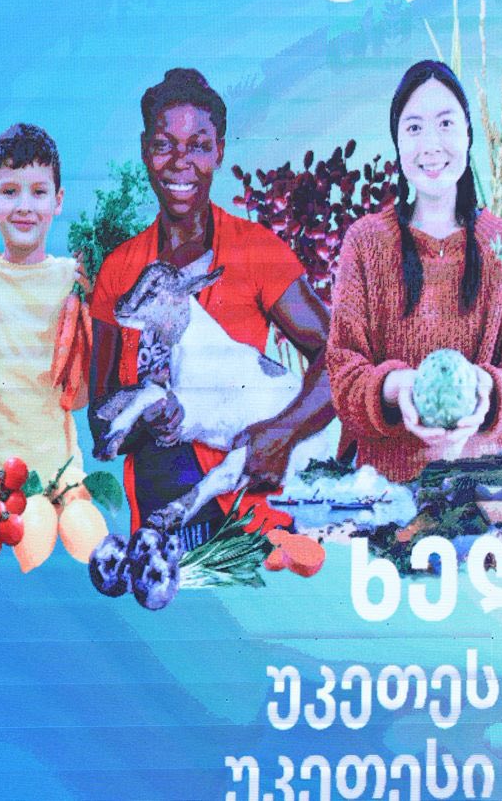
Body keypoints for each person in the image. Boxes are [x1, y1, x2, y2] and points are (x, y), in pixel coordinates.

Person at [88, 68, 335, 543]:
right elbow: (101, 419)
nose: (180, 163)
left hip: (248, 523)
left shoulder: (255, 251)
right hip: (159, 521)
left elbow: (339, 356)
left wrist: (282, 434)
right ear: (145, 150)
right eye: (164, 145)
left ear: (219, 151)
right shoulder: (121, 270)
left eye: (199, 146)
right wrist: (147, 418)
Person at [325, 59, 502, 483]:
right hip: (383, 493)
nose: (431, 145)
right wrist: (397, 387)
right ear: (397, 141)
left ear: (468, 134)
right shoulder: (365, 242)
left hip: (487, 490)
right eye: (414, 128)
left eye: (445, 124)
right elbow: (344, 373)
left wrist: (485, 388)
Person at [0, 124, 87, 490]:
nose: (24, 206)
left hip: (56, 481)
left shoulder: (74, 279)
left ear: (58, 200)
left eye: (39, 192)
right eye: (10, 192)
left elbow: (79, 398)